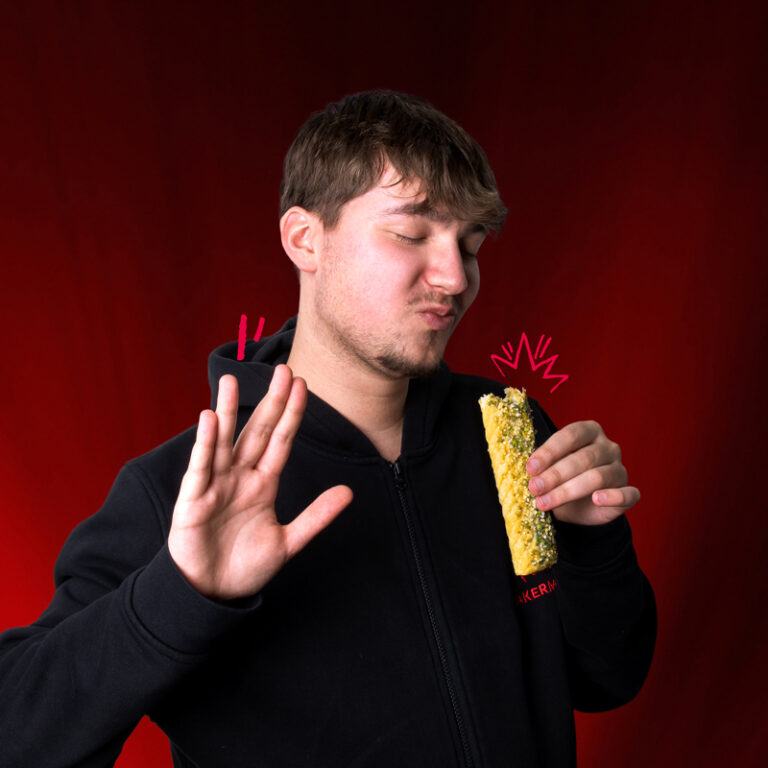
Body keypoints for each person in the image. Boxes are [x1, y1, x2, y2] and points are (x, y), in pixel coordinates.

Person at [0, 91, 656, 768]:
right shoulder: (181, 491)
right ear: (304, 240)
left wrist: (593, 545)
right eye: (411, 234)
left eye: (470, 243)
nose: (455, 277)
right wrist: (180, 595)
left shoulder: (510, 435)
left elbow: (608, 677)